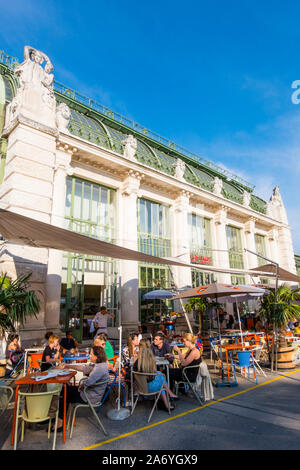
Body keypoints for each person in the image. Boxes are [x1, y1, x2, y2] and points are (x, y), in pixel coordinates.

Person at [54, 346, 109, 432]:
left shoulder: (99, 369)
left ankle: (60, 422)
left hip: (89, 397)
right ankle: (59, 419)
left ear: (97, 356)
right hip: (90, 393)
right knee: (66, 389)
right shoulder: (100, 365)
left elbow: (89, 382)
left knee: (64, 392)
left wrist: (81, 386)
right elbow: (84, 368)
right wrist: (68, 366)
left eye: (91, 354)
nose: (89, 356)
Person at [133, 341, 177, 412]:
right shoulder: (151, 363)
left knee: (159, 375)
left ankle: (168, 399)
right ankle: (168, 400)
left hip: (140, 388)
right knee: (161, 381)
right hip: (150, 389)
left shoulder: (136, 363)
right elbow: (153, 377)